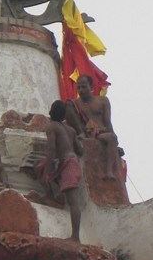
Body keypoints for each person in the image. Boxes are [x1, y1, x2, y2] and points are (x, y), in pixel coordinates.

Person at [65, 74, 122, 180]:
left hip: (101, 133)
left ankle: (109, 171)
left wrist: (116, 143)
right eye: (79, 87)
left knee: (112, 138)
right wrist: (82, 132)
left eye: (84, 87)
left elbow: (107, 122)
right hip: (85, 133)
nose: (81, 90)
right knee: (67, 105)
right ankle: (81, 133)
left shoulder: (103, 101)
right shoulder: (75, 103)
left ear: (91, 87)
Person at [45, 99, 85, 241]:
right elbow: (80, 150)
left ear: (50, 112)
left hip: (67, 163)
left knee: (73, 201)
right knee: (39, 168)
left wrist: (48, 167)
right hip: (70, 162)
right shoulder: (71, 130)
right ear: (64, 116)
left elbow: (51, 148)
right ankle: (53, 198)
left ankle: (75, 236)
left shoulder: (51, 126)